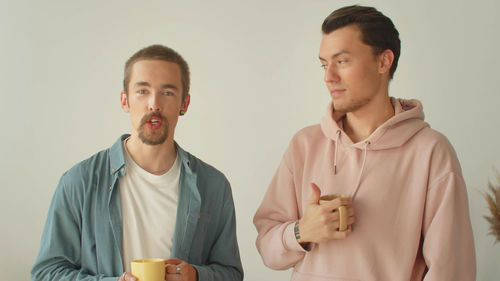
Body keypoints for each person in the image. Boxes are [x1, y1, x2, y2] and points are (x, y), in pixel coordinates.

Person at [253, 5, 475, 281]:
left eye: (342, 61)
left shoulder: (431, 151)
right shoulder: (304, 145)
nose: (328, 76)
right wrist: (301, 232)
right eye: (324, 64)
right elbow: (267, 249)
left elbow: (451, 271)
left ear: (384, 62)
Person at [31, 45, 243, 281]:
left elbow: (231, 273)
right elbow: (46, 274)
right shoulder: (79, 182)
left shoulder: (213, 185)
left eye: (168, 92)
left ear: (185, 104)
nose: (154, 104)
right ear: (125, 101)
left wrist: (195, 276)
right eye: (142, 91)